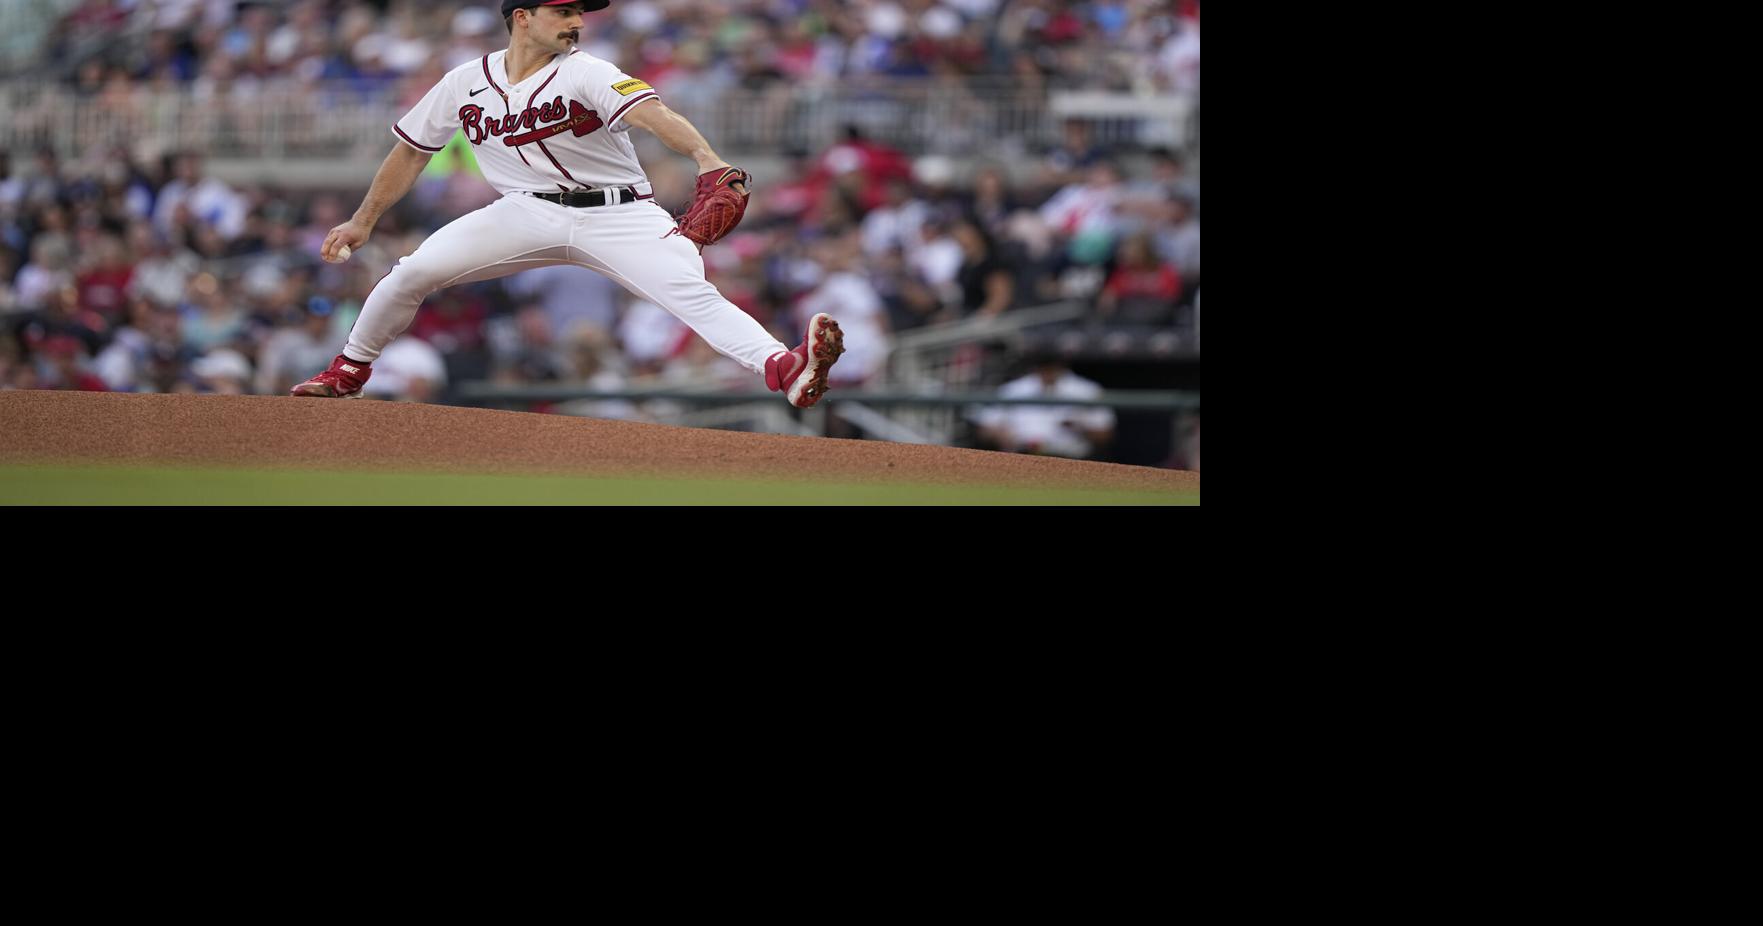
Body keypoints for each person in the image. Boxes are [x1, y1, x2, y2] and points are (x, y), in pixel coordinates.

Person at [290, 1, 842, 408]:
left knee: (688, 291)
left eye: (579, 12)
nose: (577, 21)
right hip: (525, 212)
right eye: (564, 11)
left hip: (620, 214)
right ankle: (348, 370)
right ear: (522, 17)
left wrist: (705, 156)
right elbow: (411, 152)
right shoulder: (464, 81)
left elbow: (653, 114)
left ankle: (783, 365)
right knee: (412, 272)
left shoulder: (587, 70)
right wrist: (363, 219)